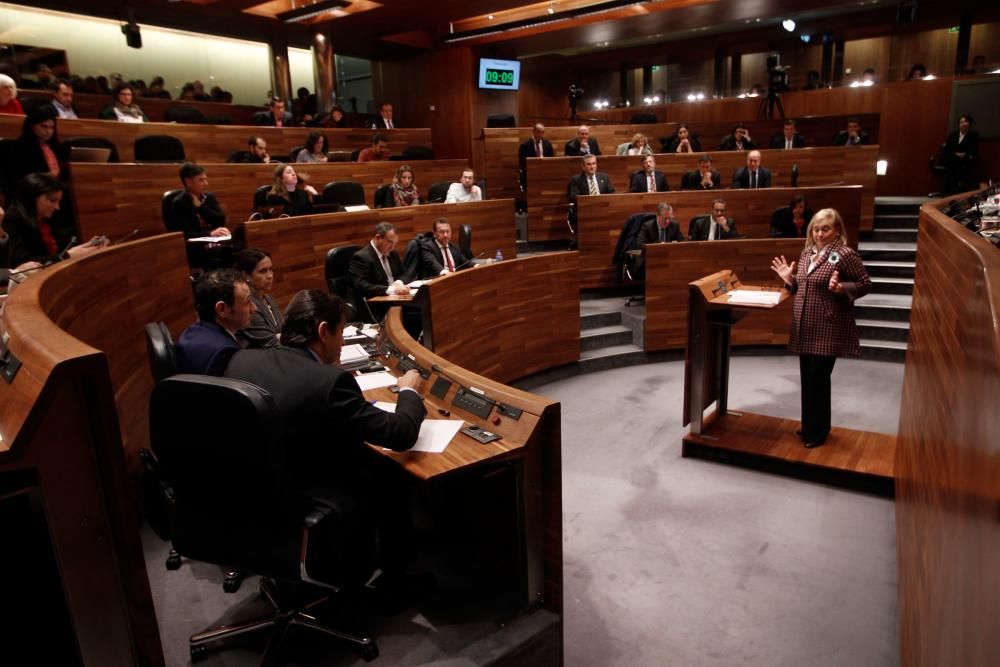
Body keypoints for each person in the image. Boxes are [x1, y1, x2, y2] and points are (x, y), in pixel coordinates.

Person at [223, 289, 426, 587]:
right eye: (340, 333)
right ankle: (397, 580)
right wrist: (409, 391)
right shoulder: (329, 383)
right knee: (391, 473)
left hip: (252, 490)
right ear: (323, 331)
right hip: (309, 494)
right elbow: (400, 434)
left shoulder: (241, 361)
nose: (342, 342)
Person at [770, 208, 871, 448]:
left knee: (818, 379)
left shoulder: (844, 254)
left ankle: (819, 432)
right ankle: (809, 426)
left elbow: (865, 284)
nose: (819, 233)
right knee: (807, 378)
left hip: (828, 328)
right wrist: (789, 279)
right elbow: (802, 288)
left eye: (825, 229)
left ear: (837, 230)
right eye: (816, 228)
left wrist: (841, 288)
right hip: (805, 327)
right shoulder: (807, 253)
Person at [2, 173, 107, 268]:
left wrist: (86, 247)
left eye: (58, 201)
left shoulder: (49, 217)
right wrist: (68, 256)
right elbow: (23, 265)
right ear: (31, 197)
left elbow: (60, 252)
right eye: (52, 200)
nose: (57, 207)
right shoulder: (10, 220)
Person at [176, 269, 255, 376]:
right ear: (222, 309)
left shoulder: (191, 332)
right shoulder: (225, 354)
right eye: (248, 301)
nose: (254, 308)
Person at [349, 222, 411, 320]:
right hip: (377, 307)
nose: (392, 247)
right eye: (390, 242)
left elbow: (406, 274)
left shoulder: (392, 254)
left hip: (396, 300)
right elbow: (362, 285)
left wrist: (398, 282)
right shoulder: (361, 257)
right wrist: (392, 289)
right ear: (378, 238)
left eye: (395, 244)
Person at [233, 247, 283, 349]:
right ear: (246, 275)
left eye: (271, 269)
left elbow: (283, 330)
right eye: (263, 271)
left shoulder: (269, 298)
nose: (270, 276)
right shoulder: (247, 305)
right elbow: (270, 343)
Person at [9, 105, 69, 188]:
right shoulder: (19, 147)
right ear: (31, 126)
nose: (48, 131)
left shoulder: (57, 146)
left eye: (51, 127)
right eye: (44, 126)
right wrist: (45, 177)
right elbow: (21, 178)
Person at [939, 114, 979, 195]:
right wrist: (955, 154)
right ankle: (948, 191)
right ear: (959, 124)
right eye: (961, 122)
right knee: (952, 162)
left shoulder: (973, 135)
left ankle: (951, 191)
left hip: (964, 160)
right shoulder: (953, 135)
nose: (963, 124)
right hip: (951, 158)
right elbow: (947, 148)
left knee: (956, 164)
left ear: (970, 124)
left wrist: (964, 154)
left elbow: (973, 150)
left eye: (966, 122)